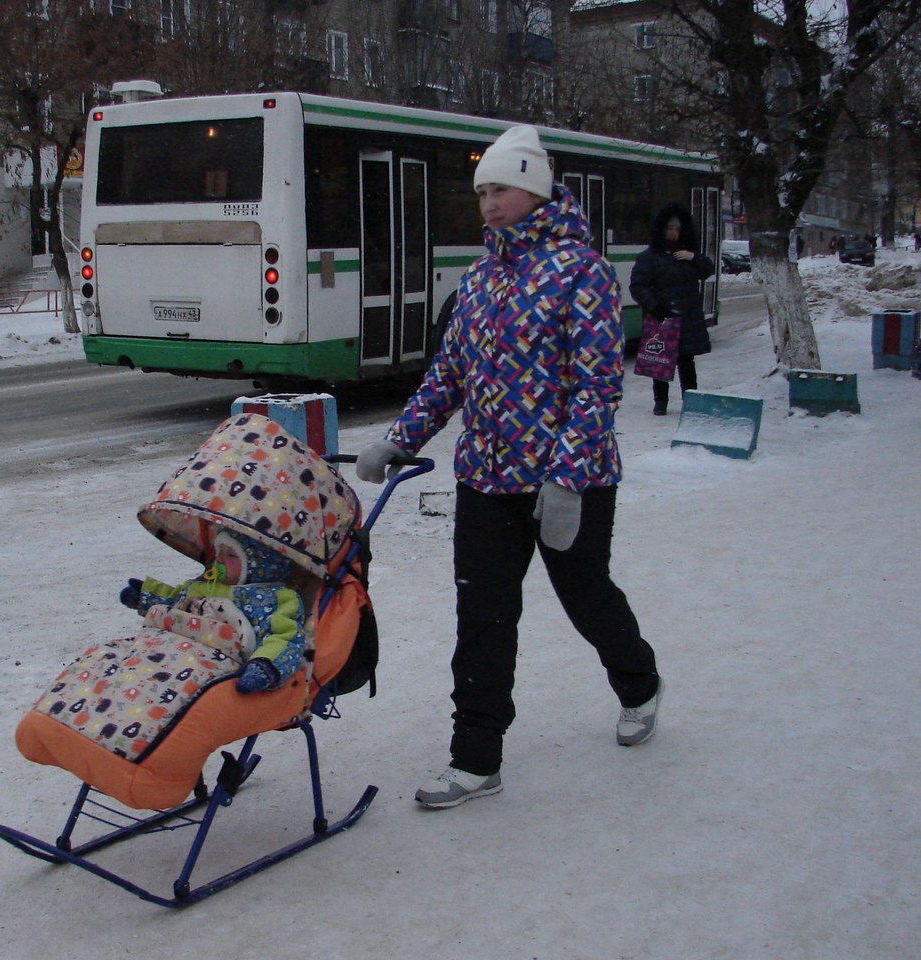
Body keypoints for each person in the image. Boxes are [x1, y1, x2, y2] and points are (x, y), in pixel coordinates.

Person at [355, 125, 661, 810]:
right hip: (487, 480)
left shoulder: (583, 271)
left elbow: (597, 385)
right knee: (483, 618)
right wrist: (399, 438)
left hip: (566, 480)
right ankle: (475, 760)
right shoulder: (482, 277)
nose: (489, 203)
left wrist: (568, 476)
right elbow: (450, 374)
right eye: (482, 192)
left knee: (586, 596)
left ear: (535, 188)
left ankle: (638, 683)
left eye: (501, 188)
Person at [119, 528, 306, 693]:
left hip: (210, 661)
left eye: (231, 555)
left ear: (260, 563)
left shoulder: (277, 598)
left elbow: (285, 637)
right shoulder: (204, 585)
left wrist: (265, 665)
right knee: (120, 660)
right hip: (166, 647)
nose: (219, 559)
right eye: (219, 552)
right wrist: (144, 595)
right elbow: (176, 600)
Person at [629, 203, 715, 415]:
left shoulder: (686, 255)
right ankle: (660, 402)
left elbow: (707, 270)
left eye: (677, 229)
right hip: (663, 317)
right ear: (661, 229)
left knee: (687, 361)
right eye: (669, 228)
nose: (673, 233)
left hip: (686, 318)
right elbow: (638, 286)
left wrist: (693, 257)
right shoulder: (649, 257)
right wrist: (655, 307)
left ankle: (691, 400)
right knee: (660, 363)